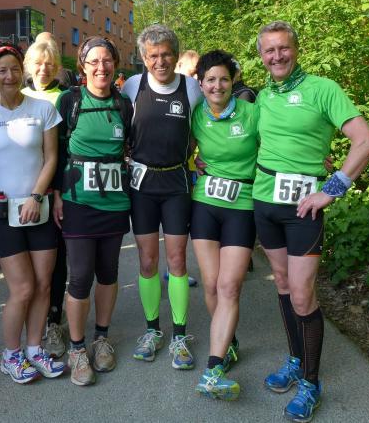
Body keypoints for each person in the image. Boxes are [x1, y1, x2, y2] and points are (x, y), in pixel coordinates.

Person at [254, 21, 369, 422]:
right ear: (261, 56)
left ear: (296, 49)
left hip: (303, 209)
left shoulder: (323, 88)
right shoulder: (262, 97)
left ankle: (311, 383)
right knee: (283, 283)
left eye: (283, 48)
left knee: (303, 295)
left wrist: (332, 189)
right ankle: (295, 360)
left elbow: (365, 141)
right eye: (269, 50)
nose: (277, 56)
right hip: (264, 203)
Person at [0, 43, 65, 384]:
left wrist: (36, 196)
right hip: (1, 213)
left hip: (38, 209)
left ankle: (34, 348)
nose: (10, 76)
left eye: (14, 69)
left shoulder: (43, 108)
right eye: (2, 70)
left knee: (43, 284)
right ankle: (11, 354)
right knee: (23, 288)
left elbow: (51, 157)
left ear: (22, 71)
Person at [121, 24, 203, 369]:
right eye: (153, 55)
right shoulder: (132, 86)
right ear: (143, 58)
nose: (160, 61)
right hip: (142, 185)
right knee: (147, 261)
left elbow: (205, 128)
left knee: (178, 260)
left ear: (176, 54)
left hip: (176, 183)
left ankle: (179, 336)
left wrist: (203, 156)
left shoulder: (192, 88)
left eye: (166, 54)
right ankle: (153, 330)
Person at [53, 36, 133, 386]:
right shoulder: (70, 101)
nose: (102, 67)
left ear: (115, 64)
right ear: (82, 67)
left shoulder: (124, 104)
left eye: (107, 60)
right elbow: (55, 151)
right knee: (81, 276)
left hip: (114, 202)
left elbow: (133, 146)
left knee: (109, 272)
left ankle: (101, 337)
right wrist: (57, 194)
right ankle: (76, 348)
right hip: (78, 200)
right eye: (94, 61)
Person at [188, 50, 258, 401]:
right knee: (212, 284)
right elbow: (178, 147)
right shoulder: (195, 115)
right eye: (211, 80)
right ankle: (227, 343)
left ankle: (213, 367)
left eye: (224, 79)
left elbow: (279, 143)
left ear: (233, 82)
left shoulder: (251, 112)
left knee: (230, 286)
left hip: (241, 205)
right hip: (205, 204)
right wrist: (193, 161)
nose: (217, 86)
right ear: (200, 84)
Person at [22, 39, 69, 358]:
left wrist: (59, 190)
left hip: (53, 190)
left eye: (50, 64)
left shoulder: (65, 98)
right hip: (20, 189)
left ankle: (53, 318)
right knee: (25, 259)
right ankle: (29, 317)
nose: (43, 69)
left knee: (56, 258)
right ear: (28, 65)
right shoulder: (17, 95)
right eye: (38, 63)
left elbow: (63, 151)